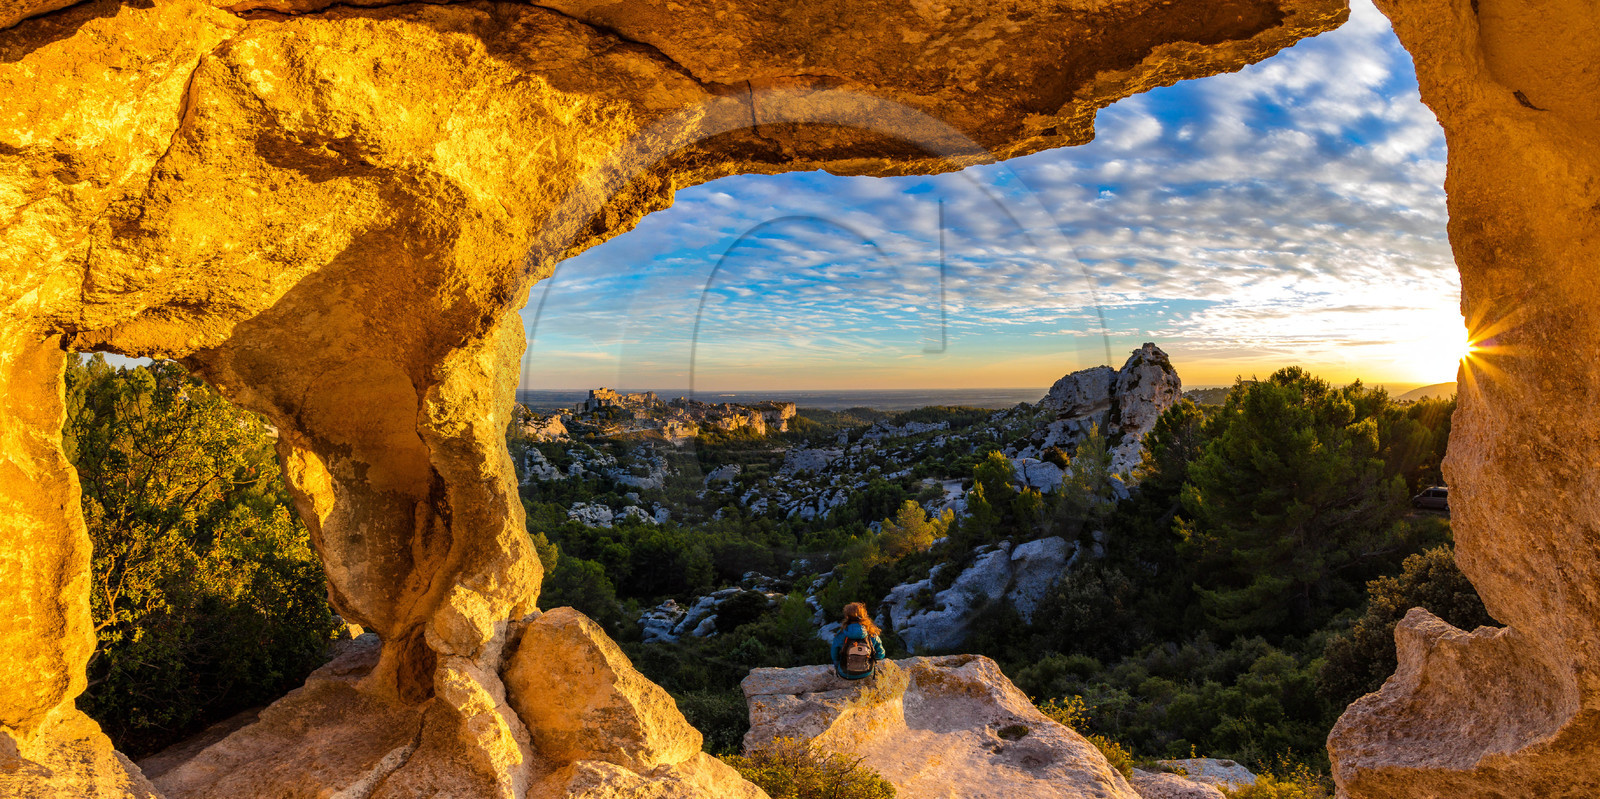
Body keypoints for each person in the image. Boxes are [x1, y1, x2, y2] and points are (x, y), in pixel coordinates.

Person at [830, 602, 886, 679]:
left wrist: (837, 665)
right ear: (864, 616)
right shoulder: (871, 633)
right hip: (867, 671)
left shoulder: (841, 634)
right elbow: (881, 654)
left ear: (847, 617)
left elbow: (834, 654)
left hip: (845, 673)